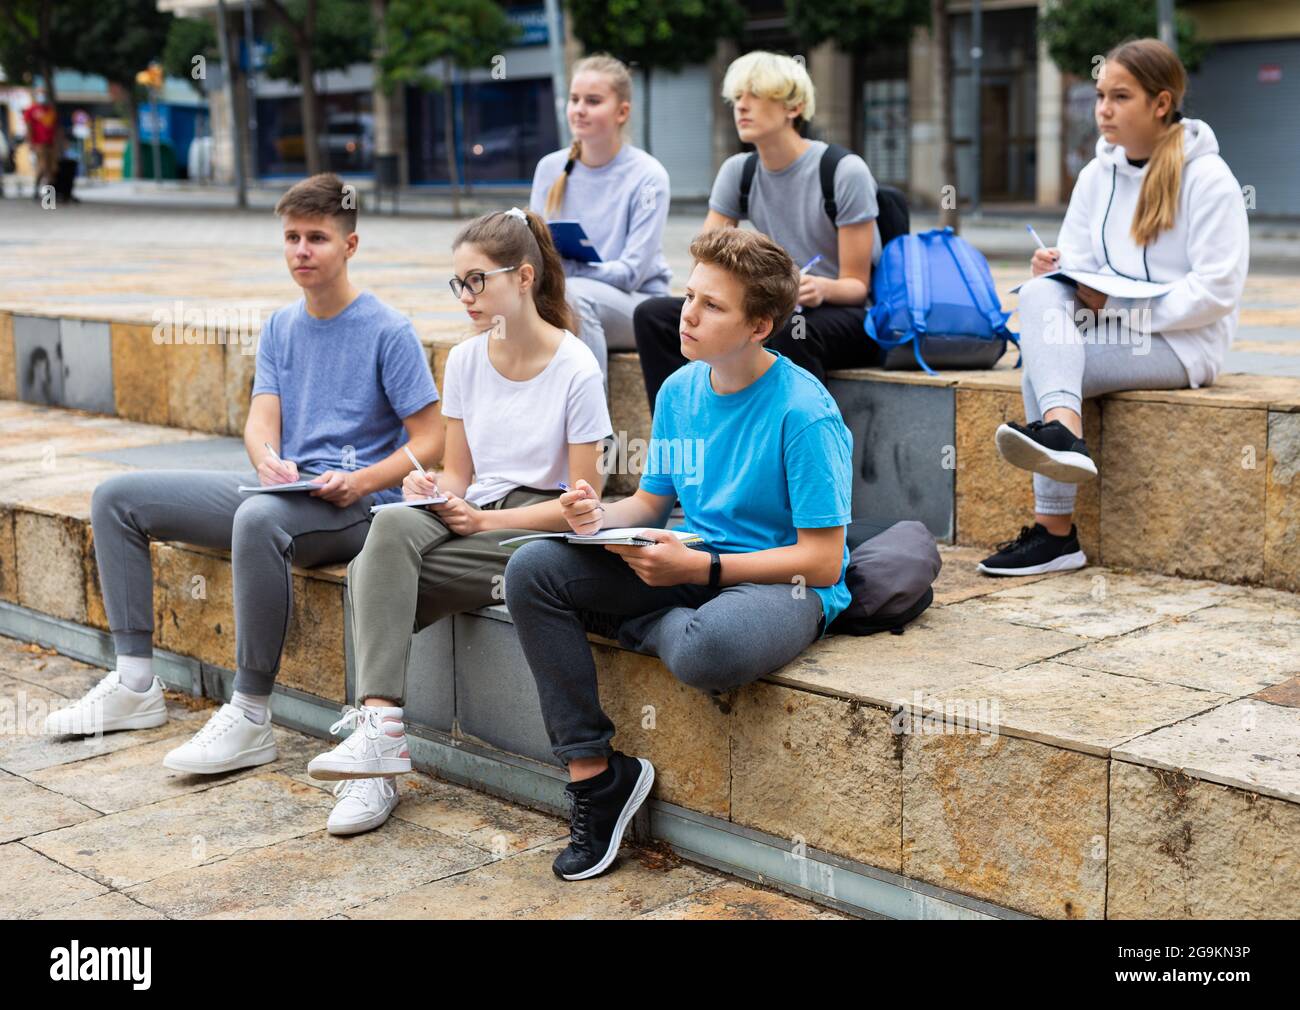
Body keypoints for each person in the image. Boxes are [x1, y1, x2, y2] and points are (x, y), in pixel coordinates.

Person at [45, 174, 444, 778]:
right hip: (288, 492)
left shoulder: (388, 330)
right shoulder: (283, 326)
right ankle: (134, 683)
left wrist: (361, 481)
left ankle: (251, 715)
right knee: (116, 497)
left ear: (350, 245)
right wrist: (267, 458)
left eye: (317, 238)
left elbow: (432, 439)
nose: (302, 251)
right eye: (291, 238)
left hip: (358, 507)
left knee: (257, 518)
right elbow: (261, 419)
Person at [504, 227, 854, 880]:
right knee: (533, 570)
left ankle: (630, 622)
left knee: (705, 651)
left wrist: (703, 569)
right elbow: (648, 506)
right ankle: (595, 776)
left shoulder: (805, 413)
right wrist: (596, 518)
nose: (687, 314)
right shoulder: (681, 391)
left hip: (779, 582)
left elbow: (825, 560)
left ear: (760, 325)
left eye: (712, 306)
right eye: (689, 296)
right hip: (689, 561)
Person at [305, 207, 613, 836]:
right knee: (390, 526)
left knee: (371, 574)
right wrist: (428, 488)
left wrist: (483, 524)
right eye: (459, 284)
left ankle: (377, 764)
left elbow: (583, 504)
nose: (467, 297)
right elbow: (458, 477)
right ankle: (383, 736)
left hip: (536, 527)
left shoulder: (576, 366)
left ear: (524, 277)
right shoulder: (466, 361)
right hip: (470, 511)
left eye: (478, 281)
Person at [979, 38, 1250, 576]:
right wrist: (1056, 272)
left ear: (1161, 103)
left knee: (1045, 362)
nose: (1103, 109)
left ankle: (1055, 532)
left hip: (1181, 343)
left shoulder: (1209, 178)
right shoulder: (1096, 176)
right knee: (1039, 298)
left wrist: (1119, 304)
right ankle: (1063, 435)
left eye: (1120, 97)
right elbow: (1081, 265)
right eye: (1101, 95)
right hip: (1110, 327)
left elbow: (1218, 288)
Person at [633, 50, 882, 409]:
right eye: (737, 97)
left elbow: (857, 287)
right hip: (774, 304)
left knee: (788, 328)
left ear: (793, 107)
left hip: (839, 312)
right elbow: (703, 262)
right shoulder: (738, 171)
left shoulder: (844, 171)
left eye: (755, 95)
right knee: (653, 316)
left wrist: (819, 287)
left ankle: (796, 436)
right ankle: (682, 436)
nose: (741, 107)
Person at [530, 53, 672, 385]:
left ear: (622, 111)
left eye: (593, 101)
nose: (579, 109)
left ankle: (594, 432)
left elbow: (632, 273)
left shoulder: (648, 175)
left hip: (637, 304)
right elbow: (532, 250)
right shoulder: (550, 168)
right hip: (565, 292)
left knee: (576, 297)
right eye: (575, 99)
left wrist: (574, 270)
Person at [22, 89, 58, 199]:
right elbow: (28, 127)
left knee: (52, 169)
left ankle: (49, 195)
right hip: (38, 144)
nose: (43, 96)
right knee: (42, 167)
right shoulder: (31, 110)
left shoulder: (50, 111)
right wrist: (30, 143)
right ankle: (36, 190)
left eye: (44, 94)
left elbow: (56, 128)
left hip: (51, 144)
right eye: (40, 94)